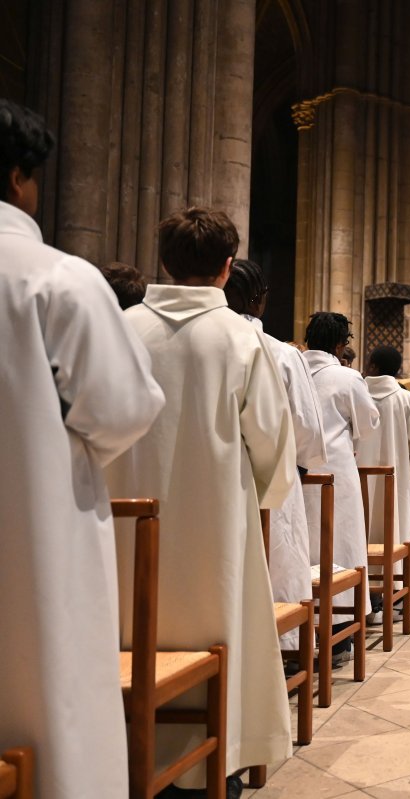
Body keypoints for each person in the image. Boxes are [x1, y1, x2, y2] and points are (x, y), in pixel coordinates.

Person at [0, 99, 164, 799]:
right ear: (19, 177)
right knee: (44, 694)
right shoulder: (55, 277)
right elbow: (124, 409)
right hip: (34, 533)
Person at [106, 207, 296, 792]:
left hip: (122, 529)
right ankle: (213, 762)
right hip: (215, 526)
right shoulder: (242, 339)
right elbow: (272, 445)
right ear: (227, 266)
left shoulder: (120, 330)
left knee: (124, 631)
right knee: (220, 626)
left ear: (162, 260)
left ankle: (120, 754)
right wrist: (260, 493)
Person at [224, 259, 328, 651]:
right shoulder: (281, 354)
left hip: (201, 489)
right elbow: (307, 431)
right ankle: (284, 648)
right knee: (276, 568)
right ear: (260, 300)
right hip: (269, 489)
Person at [302, 312, 380, 651]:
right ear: (339, 345)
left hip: (297, 471)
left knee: (302, 546)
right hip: (337, 472)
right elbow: (368, 423)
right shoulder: (347, 377)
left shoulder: (290, 367)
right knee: (341, 546)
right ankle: (338, 630)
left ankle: (298, 623)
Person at [357, 345, 410, 620]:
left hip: (358, 484)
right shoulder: (406, 399)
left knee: (360, 536)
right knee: (396, 534)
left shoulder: (358, 393)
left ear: (373, 367)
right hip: (395, 483)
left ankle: (366, 605)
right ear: (398, 370)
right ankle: (398, 603)